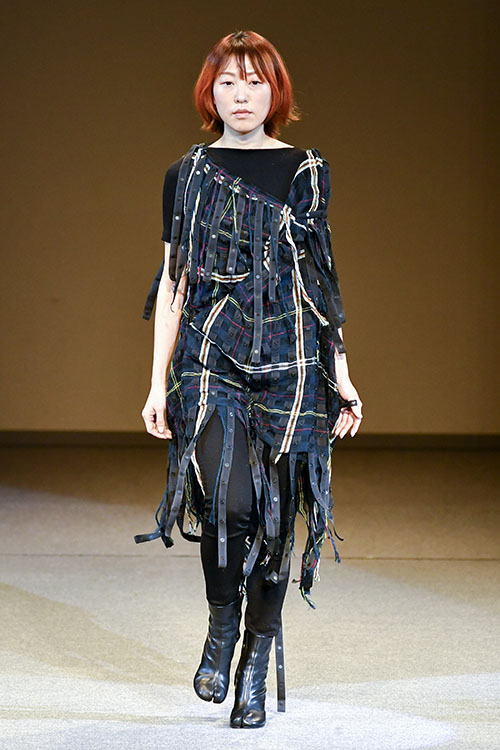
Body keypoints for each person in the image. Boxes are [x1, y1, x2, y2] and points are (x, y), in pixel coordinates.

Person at [134, 29, 363, 729]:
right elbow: (174, 285)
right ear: (211, 92)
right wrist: (155, 384)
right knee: (230, 506)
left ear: (276, 92)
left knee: (275, 522)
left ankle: (254, 667)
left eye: (255, 82)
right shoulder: (187, 174)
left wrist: (342, 374)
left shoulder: (306, 171)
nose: (241, 95)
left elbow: (319, 280)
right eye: (228, 81)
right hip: (211, 356)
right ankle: (220, 626)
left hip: (292, 362)